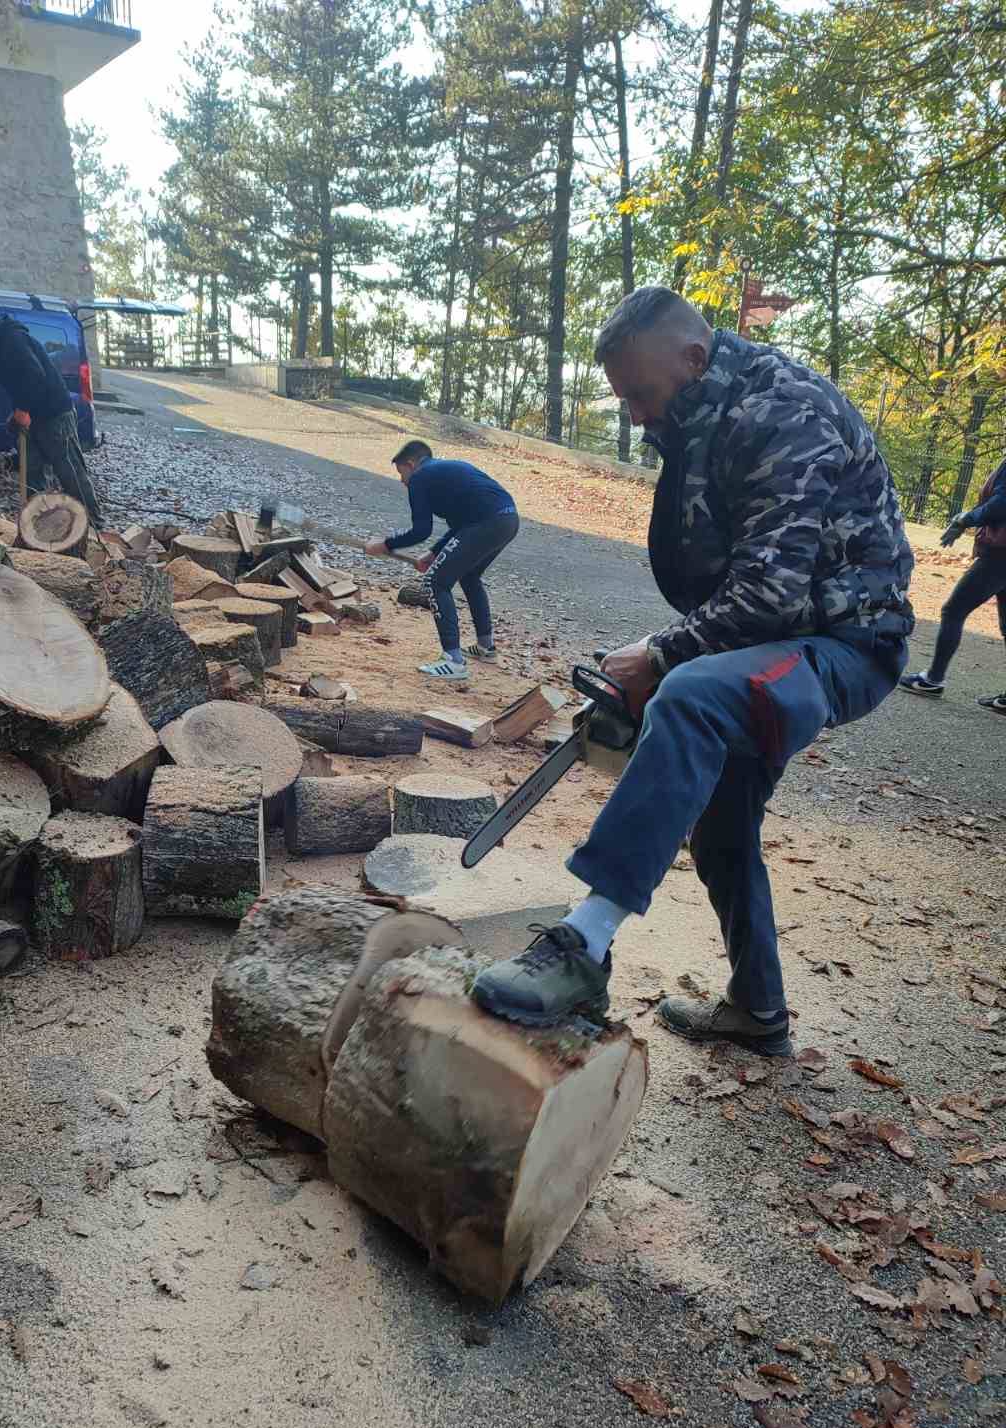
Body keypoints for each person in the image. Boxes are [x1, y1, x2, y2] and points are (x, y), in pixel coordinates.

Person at [471, 287, 914, 1056]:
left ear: (695, 359)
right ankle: (757, 1011)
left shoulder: (785, 410)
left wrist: (665, 656)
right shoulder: (706, 413)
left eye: (641, 394)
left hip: (847, 644)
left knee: (692, 693)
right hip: (777, 642)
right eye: (625, 400)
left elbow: (774, 592)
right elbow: (741, 589)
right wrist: (656, 660)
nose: (637, 415)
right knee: (721, 824)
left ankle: (586, 944)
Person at [364, 441, 518, 680]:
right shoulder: (441, 472)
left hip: (486, 522)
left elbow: (421, 530)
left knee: (437, 582)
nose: (402, 481)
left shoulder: (420, 478)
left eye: (401, 473)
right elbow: (461, 525)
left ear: (411, 464)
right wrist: (434, 552)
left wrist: (385, 544)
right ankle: (486, 647)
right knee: (469, 576)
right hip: (507, 520)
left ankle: (453, 661)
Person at [0, 303, 103, 527]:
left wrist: (23, 409)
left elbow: (34, 376)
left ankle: (93, 522)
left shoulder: (13, 341)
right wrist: (18, 412)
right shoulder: (2, 343)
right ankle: (37, 519)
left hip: (54, 413)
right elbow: (20, 382)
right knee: (32, 468)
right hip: (36, 413)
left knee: (68, 468)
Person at [898, 452, 1006, 714]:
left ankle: (933, 680)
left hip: (1000, 555)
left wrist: (965, 519)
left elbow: (1001, 504)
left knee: (954, 610)